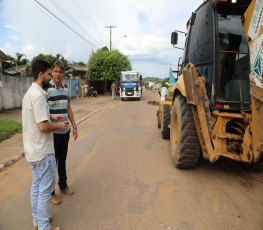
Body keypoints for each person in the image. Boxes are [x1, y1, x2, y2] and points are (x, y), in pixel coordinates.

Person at [22, 59, 68, 230]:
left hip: (32, 151)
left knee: (36, 187)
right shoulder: (39, 95)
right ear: (41, 73)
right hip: (42, 152)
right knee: (44, 191)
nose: (51, 76)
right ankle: (43, 226)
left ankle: (37, 222)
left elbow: (37, 120)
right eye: (49, 73)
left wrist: (51, 118)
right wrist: (58, 125)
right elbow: (42, 127)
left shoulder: (29, 93)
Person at [47, 61, 78, 206]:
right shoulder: (46, 90)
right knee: (52, 163)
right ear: (52, 73)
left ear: (63, 74)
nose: (58, 74)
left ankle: (63, 185)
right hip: (52, 133)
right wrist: (51, 117)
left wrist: (75, 126)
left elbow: (69, 108)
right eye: (55, 71)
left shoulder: (66, 89)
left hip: (65, 132)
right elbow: (42, 111)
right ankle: (51, 193)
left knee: (62, 160)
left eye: (60, 71)